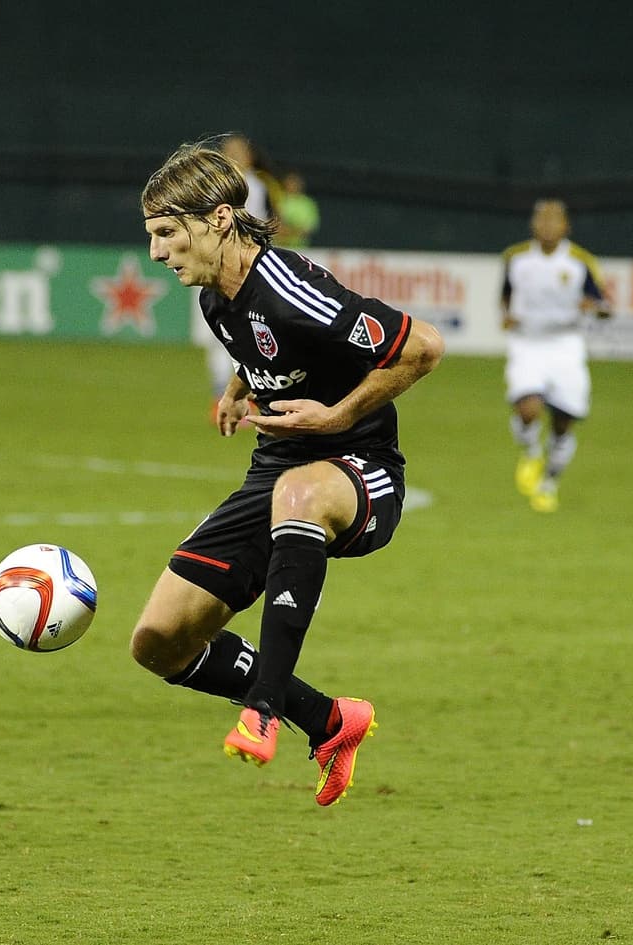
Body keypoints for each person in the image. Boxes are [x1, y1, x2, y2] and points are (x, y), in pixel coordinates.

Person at [133, 139, 444, 805]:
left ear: (218, 220)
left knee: (299, 491)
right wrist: (242, 386)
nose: (156, 253)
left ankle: (265, 704)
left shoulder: (294, 291)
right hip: (276, 470)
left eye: (166, 233)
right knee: (159, 641)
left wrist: (337, 417)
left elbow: (423, 347)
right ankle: (329, 720)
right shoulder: (215, 294)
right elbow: (266, 343)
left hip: (360, 469)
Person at [501, 199, 610, 513]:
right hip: (527, 343)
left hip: (565, 345)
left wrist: (595, 308)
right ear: (533, 225)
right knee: (528, 408)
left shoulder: (579, 261)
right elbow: (505, 295)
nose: (547, 226)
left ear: (566, 226)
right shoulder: (516, 257)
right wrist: (507, 315)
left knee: (563, 422)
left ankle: (548, 483)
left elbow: (604, 305)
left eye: (554, 221)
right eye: (541, 220)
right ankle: (532, 451)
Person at [194, 135, 275, 417]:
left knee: (251, 334)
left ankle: (256, 396)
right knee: (218, 337)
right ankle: (222, 397)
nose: (233, 156)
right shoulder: (216, 185)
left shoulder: (253, 185)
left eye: (238, 152)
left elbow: (260, 228)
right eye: (228, 151)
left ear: (249, 157)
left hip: (244, 272)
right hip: (212, 268)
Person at [274, 170, 320, 249]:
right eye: (290, 182)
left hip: (300, 249)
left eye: (295, 182)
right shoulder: (277, 200)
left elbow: (307, 229)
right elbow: (273, 224)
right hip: (277, 247)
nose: (292, 185)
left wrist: (289, 232)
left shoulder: (307, 204)